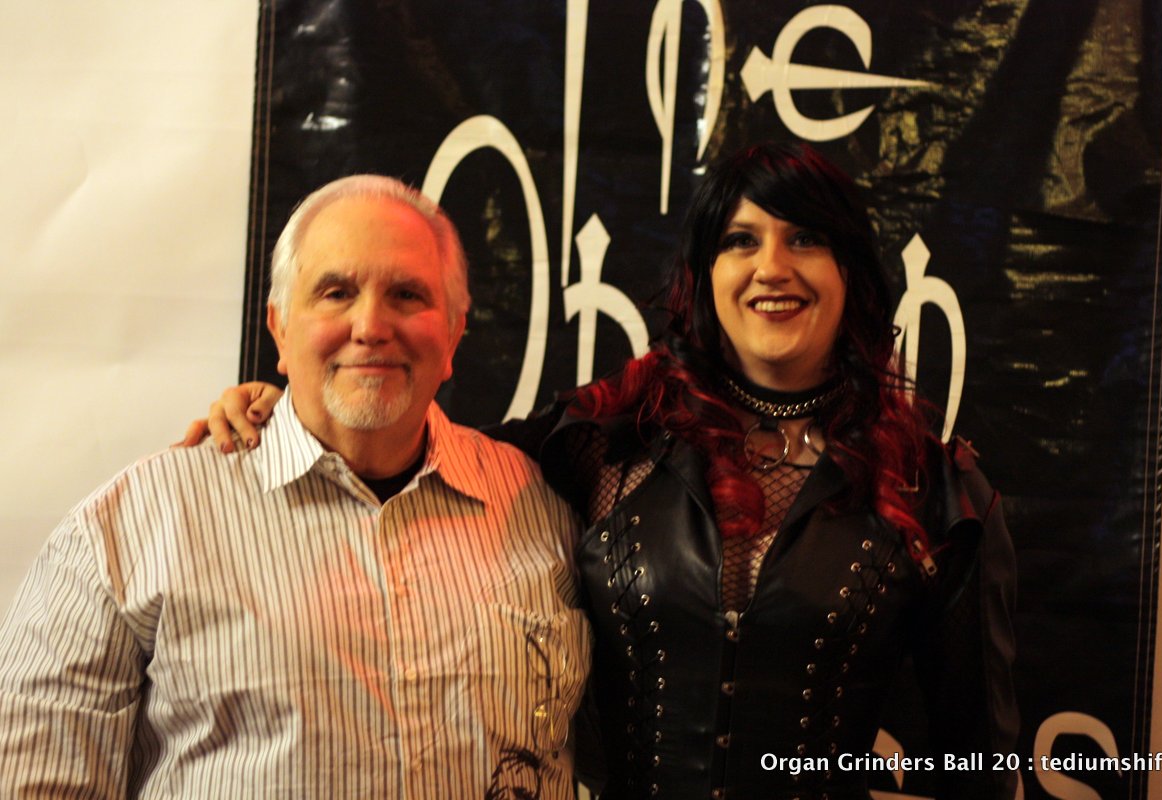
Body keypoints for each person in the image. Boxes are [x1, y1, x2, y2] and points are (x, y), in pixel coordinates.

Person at [189, 143, 1019, 799]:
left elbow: (980, 767)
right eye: (740, 240)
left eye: (805, 238)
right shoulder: (610, 439)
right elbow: (413, 449)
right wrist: (290, 406)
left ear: (851, 274)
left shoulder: (935, 489)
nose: (772, 266)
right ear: (705, 274)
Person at [0, 176, 590, 798]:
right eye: (336, 293)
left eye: (406, 294)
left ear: (454, 334)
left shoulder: (544, 507)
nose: (370, 326)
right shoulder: (128, 529)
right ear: (280, 329)